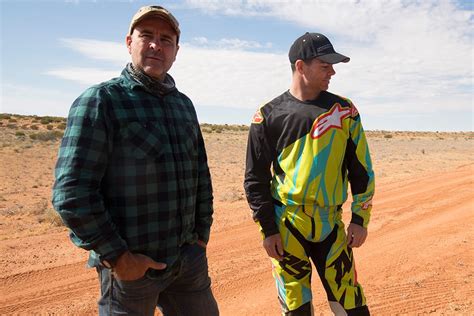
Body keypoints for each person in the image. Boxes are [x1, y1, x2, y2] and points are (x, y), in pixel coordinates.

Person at [52, 5, 219, 316]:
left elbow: (201, 175)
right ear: (129, 42)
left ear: (176, 50)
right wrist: (118, 258)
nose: (156, 45)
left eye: (166, 39)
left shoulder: (184, 105)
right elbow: (71, 193)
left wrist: (200, 237)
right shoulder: (102, 101)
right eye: (147, 36)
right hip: (132, 273)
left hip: (187, 263)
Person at [244, 32, 375, 316]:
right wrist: (268, 230)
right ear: (301, 66)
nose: (333, 71)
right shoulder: (267, 115)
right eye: (325, 65)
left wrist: (360, 219)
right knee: (296, 309)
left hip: (330, 224)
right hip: (287, 225)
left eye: (332, 66)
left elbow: (361, 170)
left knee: (351, 305)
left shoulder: (345, 111)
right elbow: (255, 180)